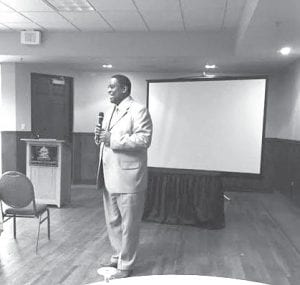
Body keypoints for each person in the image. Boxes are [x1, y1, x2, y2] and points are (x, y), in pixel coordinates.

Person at [94, 74, 153, 279]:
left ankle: (126, 265)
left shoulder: (138, 110)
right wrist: (102, 138)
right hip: (109, 175)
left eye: (112, 87)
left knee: (129, 224)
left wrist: (112, 139)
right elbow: (109, 140)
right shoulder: (111, 111)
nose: (109, 90)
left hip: (129, 178)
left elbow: (144, 139)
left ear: (125, 89)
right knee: (113, 220)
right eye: (108, 87)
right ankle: (119, 253)